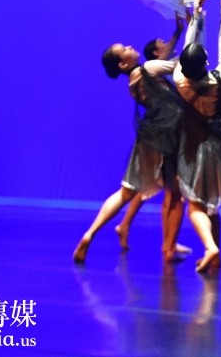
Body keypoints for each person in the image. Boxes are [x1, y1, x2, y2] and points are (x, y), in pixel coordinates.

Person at [73, 18, 190, 264]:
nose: (130, 46)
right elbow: (179, 64)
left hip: (150, 137)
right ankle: (168, 247)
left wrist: (179, 31)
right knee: (174, 191)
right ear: (123, 63)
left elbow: (164, 59)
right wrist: (196, 28)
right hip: (167, 137)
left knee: (127, 191)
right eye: (124, 48)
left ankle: (90, 233)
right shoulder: (147, 70)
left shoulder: (135, 79)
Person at [170, 0, 221, 273]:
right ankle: (213, 249)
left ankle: (210, 248)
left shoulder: (179, 80)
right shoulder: (218, 79)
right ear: (205, 63)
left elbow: (188, 49)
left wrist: (196, 18)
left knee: (195, 206)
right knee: (211, 207)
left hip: (193, 148)